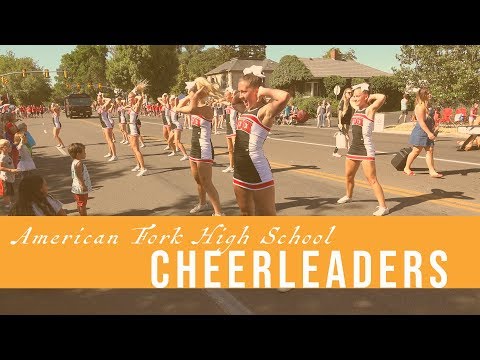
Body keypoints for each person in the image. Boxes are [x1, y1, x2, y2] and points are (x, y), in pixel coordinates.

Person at [234, 65, 290, 215]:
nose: (240, 95)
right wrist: (240, 93)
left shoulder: (264, 111)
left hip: (257, 170)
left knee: (266, 216)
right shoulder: (245, 109)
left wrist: (263, 90)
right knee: (245, 213)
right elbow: (234, 102)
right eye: (240, 91)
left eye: (244, 91)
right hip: (239, 170)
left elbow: (284, 96)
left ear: (256, 91)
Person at [336, 83, 389, 216]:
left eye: (358, 96)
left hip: (365, 149)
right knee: (348, 176)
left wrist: (368, 94)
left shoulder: (369, 110)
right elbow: (349, 99)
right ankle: (348, 196)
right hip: (354, 147)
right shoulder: (356, 108)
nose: (354, 98)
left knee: (371, 179)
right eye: (354, 96)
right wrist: (354, 93)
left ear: (365, 96)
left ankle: (383, 207)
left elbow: (381, 97)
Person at [175, 77, 225, 216]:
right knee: (198, 180)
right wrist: (190, 95)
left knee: (206, 182)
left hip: (204, 148)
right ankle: (203, 203)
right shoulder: (195, 107)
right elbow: (177, 107)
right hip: (194, 147)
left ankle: (219, 213)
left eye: (193, 91)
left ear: (199, 93)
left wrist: (194, 96)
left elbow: (187, 108)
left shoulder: (206, 109)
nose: (190, 93)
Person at [403, 87, 443, 178]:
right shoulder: (419, 107)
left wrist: (435, 127)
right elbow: (421, 122)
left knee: (430, 150)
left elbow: (431, 118)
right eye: (428, 93)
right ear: (423, 95)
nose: (430, 95)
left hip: (428, 130)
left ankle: (432, 171)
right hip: (421, 131)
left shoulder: (428, 105)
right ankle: (406, 168)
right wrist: (429, 133)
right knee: (416, 151)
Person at [68, 143, 93, 216]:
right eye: (84, 152)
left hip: (76, 187)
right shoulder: (79, 163)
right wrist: (83, 185)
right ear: (78, 154)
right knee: (82, 204)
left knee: (80, 203)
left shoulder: (75, 162)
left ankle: (81, 215)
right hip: (80, 188)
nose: (85, 153)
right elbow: (79, 176)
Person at [333, 87, 353, 157]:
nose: (350, 94)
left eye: (351, 93)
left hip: (347, 121)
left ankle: (348, 151)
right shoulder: (342, 102)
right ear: (345, 93)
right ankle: (335, 152)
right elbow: (339, 113)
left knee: (346, 136)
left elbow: (352, 112)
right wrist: (340, 123)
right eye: (348, 93)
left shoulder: (350, 102)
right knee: (345, 136)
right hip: (342, 122)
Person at [0, 139, 19, 209]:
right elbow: (0, 167)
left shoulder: (7, 155)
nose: (10, 147)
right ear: (2, 148)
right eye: (8, 146)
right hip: (4, 178)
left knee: (9, 191)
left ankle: (9, 203)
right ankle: (7, 205)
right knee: (6, 193)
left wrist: (14, 171)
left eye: (10, 146)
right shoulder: (2, 157)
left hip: (9, 177)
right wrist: (10, 170)